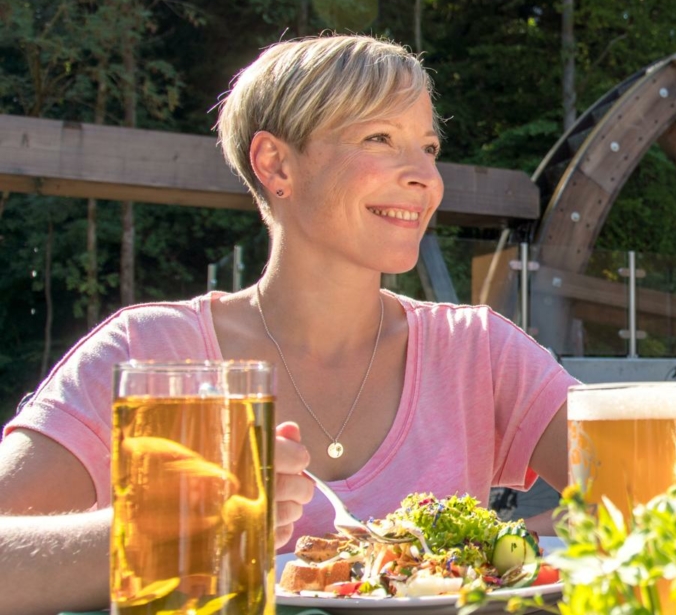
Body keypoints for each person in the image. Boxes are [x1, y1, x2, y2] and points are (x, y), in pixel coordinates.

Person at [0, 35, 577, 614]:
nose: (425, 176)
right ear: (276, 164)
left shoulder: (477, 349)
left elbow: (629, 499)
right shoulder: (148, 350)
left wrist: (494, 556)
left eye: (428, 147)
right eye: (379, 138)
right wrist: (166, 530)